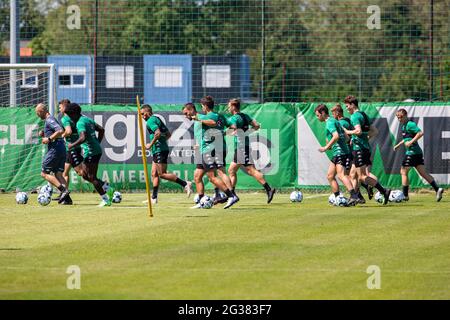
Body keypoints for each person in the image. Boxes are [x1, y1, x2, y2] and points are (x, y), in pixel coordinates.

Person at [182, 99, 238, 209]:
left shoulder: (203, 117)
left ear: (192, 110)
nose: (185, 115)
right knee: (197, 176)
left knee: (212, 176)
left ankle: (230, 195)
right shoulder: (201, 119)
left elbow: (213, 123)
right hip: (203, 149)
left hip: (209, 149)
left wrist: (198, 119)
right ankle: (202, 200)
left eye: (186, 113)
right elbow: (231, 128)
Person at [343, 95, 391, 205]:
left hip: (359, 149)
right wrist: (365, 138)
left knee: (362, 176)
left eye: (347, 106)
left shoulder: (355, 116)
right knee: (352, 175)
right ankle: (355, 197)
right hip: (364, 148)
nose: (346, 109)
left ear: (352, 105)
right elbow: (375, 131)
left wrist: (348, 132)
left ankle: (384, 191)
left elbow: (358, 131)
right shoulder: (363, 115)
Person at [226, 98, 276, 204]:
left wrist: (230, 132)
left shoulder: (234, 118)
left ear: (234, 107)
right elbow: (257, 126)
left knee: (251, 170)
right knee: (231, 170)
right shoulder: (245, 116)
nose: (228, 108)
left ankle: (269, 189)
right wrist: (246, 132)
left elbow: (233, 128)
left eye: (229, 106)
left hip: (242, 147)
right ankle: (232, 194)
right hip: (243, 146)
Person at [140, 104, 192, 204]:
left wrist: (150, 144)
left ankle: (185, 183)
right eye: (141, 115)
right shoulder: (157, 119)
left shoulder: (151, 121)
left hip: (159, 150)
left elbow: (158, 133)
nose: (143, 117)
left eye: (143, 114)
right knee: (154, 173)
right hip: (159, 149)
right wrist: (160, 143)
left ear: (148, 112)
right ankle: (154, 198)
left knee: (162, 174)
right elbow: (168, 135)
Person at [64, 103, 113, 207]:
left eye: (69, 115)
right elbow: (101, 129)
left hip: (91, 152)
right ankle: (108, 189)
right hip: (95, 150)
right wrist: (97, 142)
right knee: (85, 175)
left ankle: (106, 199)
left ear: (74, 113)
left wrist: (71, 145)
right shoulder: (87, 119)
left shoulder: (80, 123)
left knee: (91, 176)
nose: (69, 117)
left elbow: (83, 137)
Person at [393, 108, 443, 202]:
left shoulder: (410, 124)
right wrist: (398, 145)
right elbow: (406, 138)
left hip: (412, 152)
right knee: (423, 173)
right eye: (398, 117)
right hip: (417, 153)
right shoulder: (404, 125)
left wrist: (411, 142)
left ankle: (405, 196)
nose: (399, 119)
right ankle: (437, 189)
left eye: (401, 117)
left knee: (403, 171)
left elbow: (420, 133)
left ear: (405, 115)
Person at [315, 104, 359, 205]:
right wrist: (334, 145)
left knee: (341, 175)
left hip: (340, 153)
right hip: (339, 152)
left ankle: (354, 196)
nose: (317, 118)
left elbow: (336, 136)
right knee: (330, 176)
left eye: (318, 115)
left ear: (322, 113)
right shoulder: (335, 121)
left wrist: (326, 147)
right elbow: (347, 138)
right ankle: (338, 198)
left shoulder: (330, 122)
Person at [331, 103, 374, 201]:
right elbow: (373, 131)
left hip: (348, 152)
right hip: (355, 149)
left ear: (337, 113)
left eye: (333, 113)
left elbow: (346, 137)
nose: (332, 116)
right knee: (354, 175)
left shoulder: (342, 123)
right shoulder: (348, 120)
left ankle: (375, 188)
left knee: (354, 175)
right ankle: (359, 194)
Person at [35, 103, 71, 204]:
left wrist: (49, 138)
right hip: (61, 147)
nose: (37, 115)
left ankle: (64, 191)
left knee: (44, 173)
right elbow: (56, 131)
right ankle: (67, 199)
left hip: (55, 149)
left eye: (37, 113)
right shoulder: (51, 119)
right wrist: (45, 133)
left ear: (41, 111)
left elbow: (60, 130)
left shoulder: (49, 119)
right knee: (58, 174)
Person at [57, 99, 84, 200]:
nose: (59, 109)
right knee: (64, 173)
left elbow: (68, 131)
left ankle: (106, 187)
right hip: (72, 148)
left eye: (60, 107)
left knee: (83, 173)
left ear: (65, 107)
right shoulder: (75, 117)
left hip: (71, 148)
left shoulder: (65, 118)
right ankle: (64, 194)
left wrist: (61, 136)